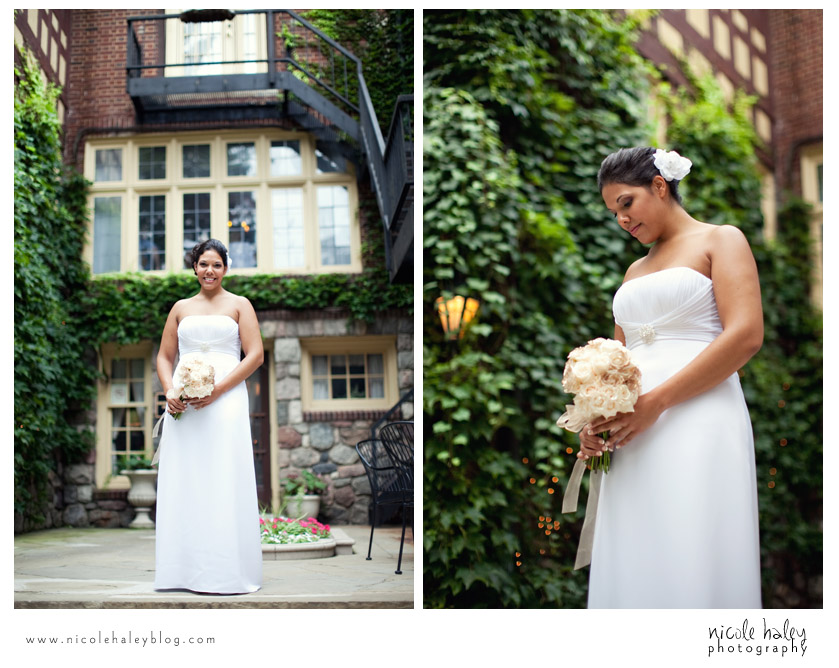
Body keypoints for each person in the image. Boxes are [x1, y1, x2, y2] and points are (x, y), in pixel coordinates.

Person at [577, 147, 763, 608]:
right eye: (613, 212)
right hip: (633, 431)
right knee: (639, 550)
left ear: (659, 186)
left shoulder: (721, 240)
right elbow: (620, 360)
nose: (622, 219)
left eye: (626, 203)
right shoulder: (633, 271)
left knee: (692, 540)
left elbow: (745, 336)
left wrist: (656, 403)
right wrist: (594, 420)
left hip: (699, 418)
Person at [154, 238, 263, 594]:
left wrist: (218, 390)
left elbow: (255, 355)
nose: (210, 271)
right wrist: (171, 390)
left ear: (226, 268)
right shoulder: (180, 307)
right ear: (194, 267)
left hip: (226, 401)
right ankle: (180, 572)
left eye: (216, 265)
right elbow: (164, 357)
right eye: (203, 264)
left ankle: (226, 571)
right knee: (186, 477)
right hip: (184, 405)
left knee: (222, 474)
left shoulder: (240, 305)